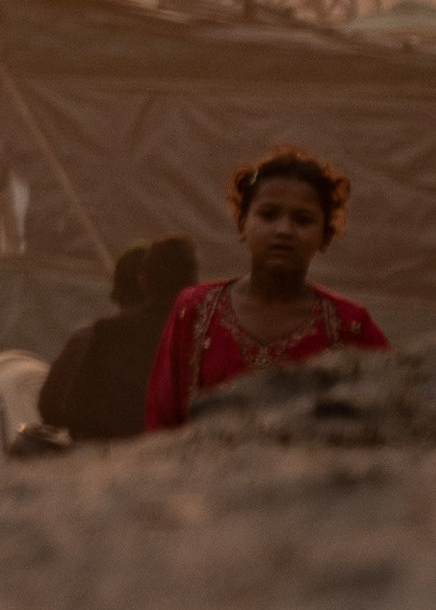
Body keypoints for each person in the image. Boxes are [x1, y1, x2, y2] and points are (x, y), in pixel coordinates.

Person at [145, 147, 388, 428]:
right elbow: (161, 417)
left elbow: (388, 416)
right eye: (269, 214)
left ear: (325, 235)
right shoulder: (195, 309)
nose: (284, 230)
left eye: (302, 220)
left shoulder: (351, 326)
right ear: (242, 223)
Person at [39, 233, 203, 444]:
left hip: (115, 458)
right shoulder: (212, 332)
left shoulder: (106, 333)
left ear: (146, 280)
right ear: (194, 281)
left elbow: (70, 408)